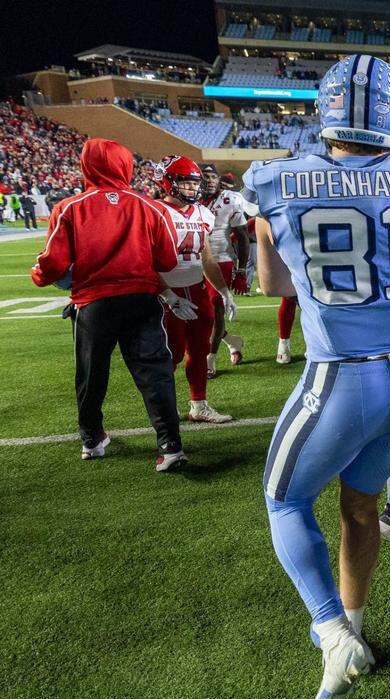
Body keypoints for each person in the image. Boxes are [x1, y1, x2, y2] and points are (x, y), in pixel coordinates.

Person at [244, 54, 390, 699]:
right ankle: (355, 631)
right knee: (361, 508)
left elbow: (273, 285)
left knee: (284, 502)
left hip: (340, 377)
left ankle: (333, 633)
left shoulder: (276, 180)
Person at [30, 138, 186, 471]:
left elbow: (53, 265)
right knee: (155, 372)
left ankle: (92, 440)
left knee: (91, 374)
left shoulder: (70, 207)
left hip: (93, 304)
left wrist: (38, 274)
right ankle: (170, 445)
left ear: (87, 165)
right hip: (142, 300)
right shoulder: (150, 206)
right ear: (124, 164)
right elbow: (168, 260)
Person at [153, 156, 238, 424]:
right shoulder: (154, 211)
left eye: (194, 183)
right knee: (171, 354)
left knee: (199, 351)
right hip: (166, 294)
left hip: (197, 290)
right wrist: (168, 295)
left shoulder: (203, 212)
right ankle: (163, 408)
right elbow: (144, 259)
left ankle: (198, 405)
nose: (192, 188)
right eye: (185, 183)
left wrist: (224, 291)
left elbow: (207, 257)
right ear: (168, 182)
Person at [199, 163, 249, 378]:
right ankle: (231, 340)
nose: (210, 180)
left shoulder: (231, 198)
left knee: (215, 310)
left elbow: (243, 236)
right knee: (199, 316)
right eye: (205, 176)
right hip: (192, 261)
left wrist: (241, 270)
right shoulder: (189, 198)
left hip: (221, 259)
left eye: (213, 176)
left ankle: (209, 359)